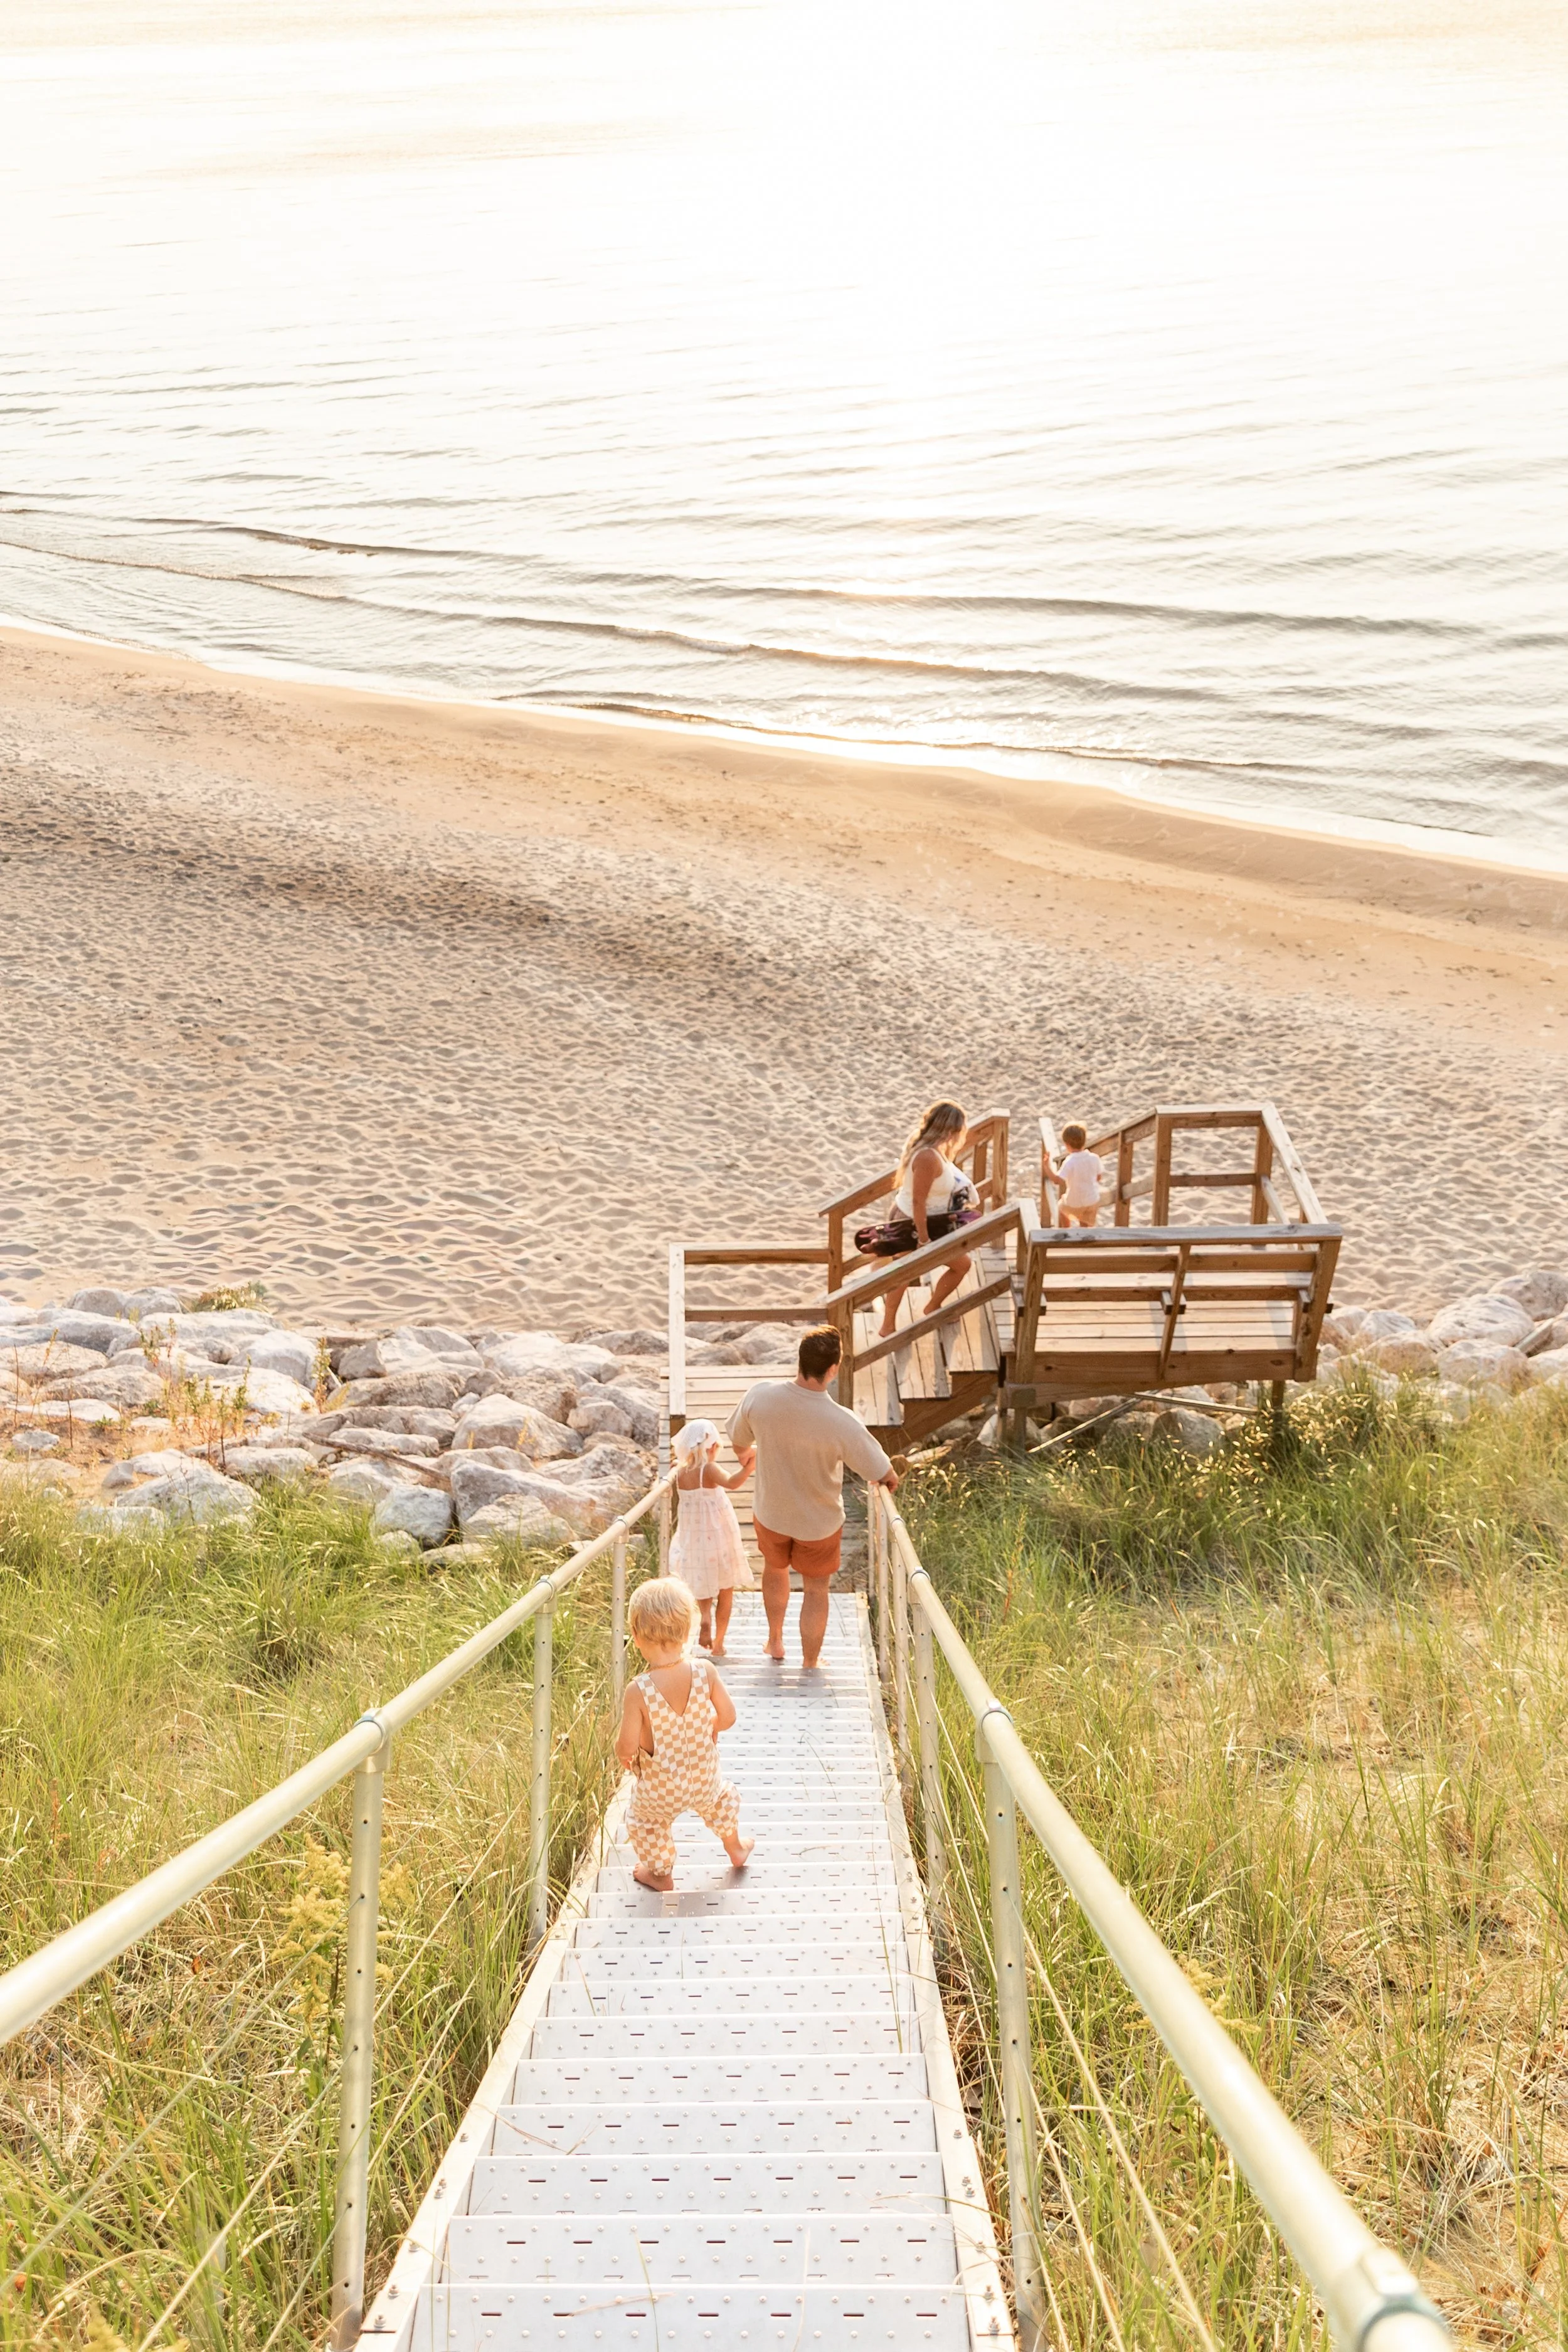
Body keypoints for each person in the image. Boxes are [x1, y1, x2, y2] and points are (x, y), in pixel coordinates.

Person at [728, 1326, 898, 1670]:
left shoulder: (761, 1397)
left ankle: (775, 1641)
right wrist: (890, 1481)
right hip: (819, 1525)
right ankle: (810, 1662)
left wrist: (749, 1455)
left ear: (800, 1360)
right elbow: (883, 1471)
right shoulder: (842, 1421)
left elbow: (738, 1439)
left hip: (771, 1513)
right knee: (816, 1590)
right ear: (833, 1370)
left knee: (774, 1570)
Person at [615, 1576, 754, 1893]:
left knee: (646, 1821)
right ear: (688, 1629)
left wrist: (624, 1755)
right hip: (704, 1778)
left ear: (635, 1636)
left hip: (660, 1788)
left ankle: (660, 1874)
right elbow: (729, 1717)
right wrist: (709, 1727)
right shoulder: (705, 1671)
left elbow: (626, 1745)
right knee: (719, 1801)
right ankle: (735, 1848)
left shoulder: (638, 1691)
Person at [854, 1101, 980, 1339]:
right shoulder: (927, 1157)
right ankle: (888, 1326)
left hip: (927, 1221)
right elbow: (918, 1202)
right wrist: (923, 1238)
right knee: (904, 1273)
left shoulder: (933, 1147)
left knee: (957, 1265)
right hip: (913, 1223)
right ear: (950, 1129)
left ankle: (931, 1307)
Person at [668, 1417, 753, 1658]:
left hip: (693, 1535)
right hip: (718, 1534)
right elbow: (732, 1483)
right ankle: (719, 1643)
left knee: (701, 1579)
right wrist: (749, 1469)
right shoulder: (710, 1469)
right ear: (712, 1447)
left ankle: (704, 1617)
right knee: (726, 1586)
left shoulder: (681, 1472)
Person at [1047, 1121, 1103, 1227]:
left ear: (1067, 1145)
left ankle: (1067, 1232)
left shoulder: (1070, 1161)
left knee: (1061, 1208)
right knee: (1086, 1226)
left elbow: (1057, 1180)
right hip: (1092, 1200)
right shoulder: (1094, 1158)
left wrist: (1047, 1167)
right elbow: (1099, 1177)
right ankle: (1084, 1240)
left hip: (1074, 1202)